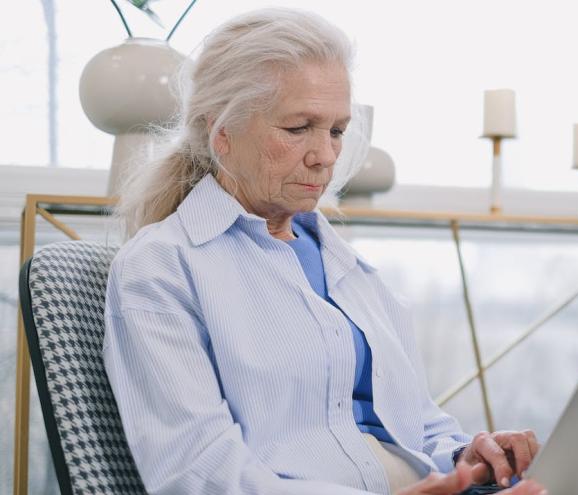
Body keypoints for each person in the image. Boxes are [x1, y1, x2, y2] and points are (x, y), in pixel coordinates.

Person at [104, 8, 547, 495]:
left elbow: (418, 425)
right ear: (221, 133)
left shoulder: (349, 268)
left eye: (336, 130)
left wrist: (468, 456)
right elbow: (197, 471)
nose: (326, 156)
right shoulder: (163, 267)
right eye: (298, 128)